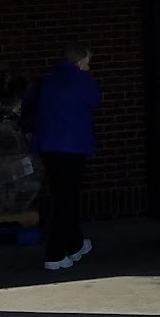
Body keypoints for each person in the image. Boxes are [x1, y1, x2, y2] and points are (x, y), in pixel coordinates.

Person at [28, 43, 101, 273]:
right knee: (67, 200)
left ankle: (75, 244)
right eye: (87, 61)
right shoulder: (82, 80)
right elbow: (96, 99)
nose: (89, 66)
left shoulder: (48, 80)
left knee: (63, 195)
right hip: (72, 146)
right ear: (79, 61)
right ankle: (55, 254)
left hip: (47, 146)